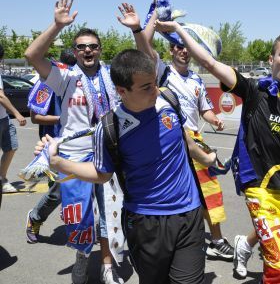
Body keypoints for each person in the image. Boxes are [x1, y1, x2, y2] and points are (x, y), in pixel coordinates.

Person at [153, 18, 280, 284]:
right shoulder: (254, 90)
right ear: (271, 58)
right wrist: (180, 31)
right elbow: (210, 63)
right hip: (261, 191)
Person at [37, 49, 216, 284]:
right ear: (122, 91)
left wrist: (208, 159)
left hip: (189, 215)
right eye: (145, 87)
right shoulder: (110, 127)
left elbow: (184, 140)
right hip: (146, 223)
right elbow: (101, 174)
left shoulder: (168, 101)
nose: (155, 91)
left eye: (153, 83)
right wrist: (58, 162)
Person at [116, 0, 235, 260]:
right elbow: (144, 50)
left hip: (194, 140)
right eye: (179, 47)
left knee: (210, 190)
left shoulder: (196, 80)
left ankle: (215, 239)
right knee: (174, 191)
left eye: (187, 48)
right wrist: (141, 27)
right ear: (171, 49)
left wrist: (214, 120)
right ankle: (169, 239)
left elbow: (204, 109)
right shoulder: (161, 72)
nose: (183, 51)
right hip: (168, 141)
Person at [24, 0, 123, 284]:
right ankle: (81, 257)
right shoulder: (64, 78)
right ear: (75, 52)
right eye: (81, 47)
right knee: (79, 214)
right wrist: (57, 25)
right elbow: (32, 55)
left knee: (109, 214)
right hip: (73, 157)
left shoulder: (112, 76)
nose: (88, 51)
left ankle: (107, 265)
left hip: (107, 154)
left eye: (93, 46)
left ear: (100, 50)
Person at [26, 48, 77, 244]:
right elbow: (35, 117)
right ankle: (35, 217)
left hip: (78, 143)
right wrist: (62, 118)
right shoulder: (47, 83)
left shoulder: (81, 80)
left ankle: (74, 219)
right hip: (54, 144)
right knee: (58, 190)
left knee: (83, 187)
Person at [0, 43, 28, 197]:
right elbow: (0, 96)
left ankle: (2, 179)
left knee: (11, 147)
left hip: (3, 117)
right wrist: (17, 113)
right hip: (4, 117)